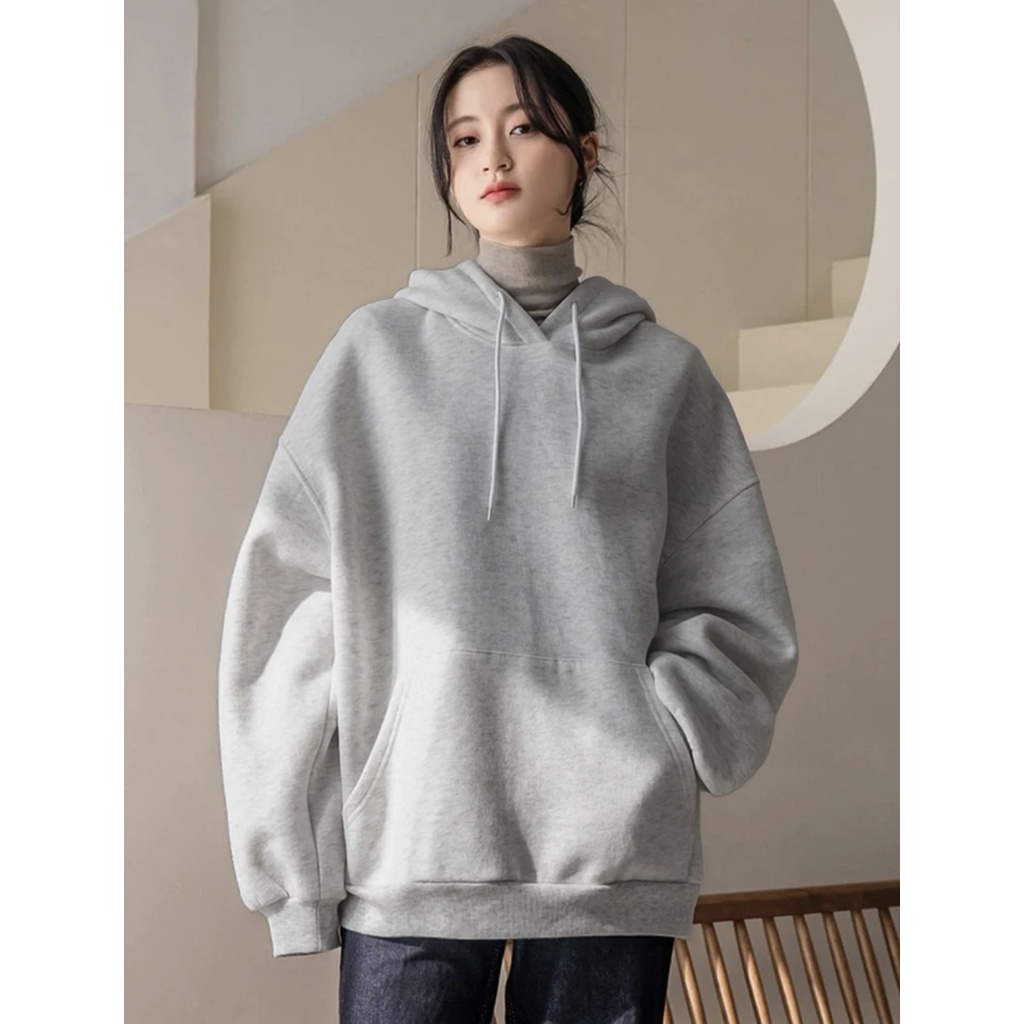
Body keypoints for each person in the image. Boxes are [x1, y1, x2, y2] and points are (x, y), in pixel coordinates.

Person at [217, 34, 799, 1024]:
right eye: (463, 139)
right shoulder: (375, 357)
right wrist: (295, 870)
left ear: (585, 151)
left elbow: (739, 609)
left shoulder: (667, 376)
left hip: (614, 859)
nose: (491, 157)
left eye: (523, 127)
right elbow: (291, 608)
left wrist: (660, 736)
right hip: (413, 849)